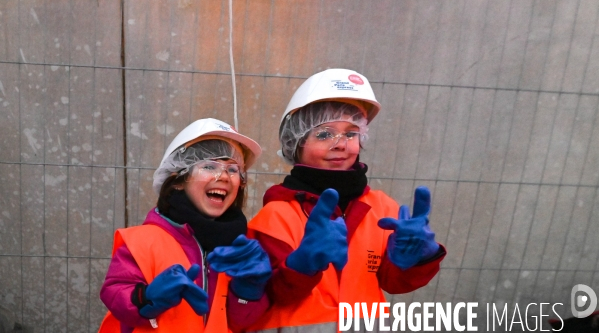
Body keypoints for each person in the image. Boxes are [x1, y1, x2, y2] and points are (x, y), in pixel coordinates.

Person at [246, 69, 446, 332]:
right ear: (296, 144)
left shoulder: (382, 208)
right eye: (324, 134)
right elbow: (265, 297)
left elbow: (395, 283)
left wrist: (419, 259)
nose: (340, 144)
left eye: (351, 133)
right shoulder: (276, 217)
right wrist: (301, 268)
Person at [98, 118, 272, 333]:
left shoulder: (239, 249)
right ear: (178, 179)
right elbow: (114, 293)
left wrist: (249, 292)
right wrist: (147, 297)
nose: (224, 176)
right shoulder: (142, 241)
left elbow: (240, 322)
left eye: (233, 169)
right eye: (210, 166)